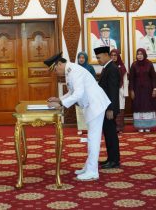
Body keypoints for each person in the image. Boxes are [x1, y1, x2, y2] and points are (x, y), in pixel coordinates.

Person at [45, 52, 110, 181]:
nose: (55, 72)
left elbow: (78, 94)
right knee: (92, 138)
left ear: (59, 64)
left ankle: (92, 171)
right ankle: (88, 167)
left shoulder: (74, 71)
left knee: (93, 139)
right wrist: (59, 99)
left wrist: (61, 104)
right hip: (91, 105)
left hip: (95, 104)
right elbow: (71, 92)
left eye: (55, 69)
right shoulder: (70, 71)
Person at [95, 46, 121, 169]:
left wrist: (110, 108)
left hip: (109, 108)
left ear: (106, 55)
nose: (98, 60)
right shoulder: (107, 68)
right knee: (108, 134)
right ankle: (110, 158)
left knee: (111, 135)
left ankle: (114, 161)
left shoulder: (112, 69)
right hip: (105, 107)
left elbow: (113, 91)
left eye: (99, 57)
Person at [129, 48, 156, 132]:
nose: (139, 56)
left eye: (141, 54)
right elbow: (131, 79)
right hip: (137, 90)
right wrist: (131, 90)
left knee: (147, 107)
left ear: (144, 54)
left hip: (148, 90)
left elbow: (153, 78)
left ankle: (148, 126)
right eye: (138, 54)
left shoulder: (149, 64)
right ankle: (140, 126)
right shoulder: (134, 65)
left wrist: (154, 89)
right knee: (138, 107)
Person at [76, 51, 96, 135]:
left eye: (83, 58)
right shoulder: (75, 67)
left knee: (88, 110)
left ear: (86, 58)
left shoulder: (90, 67)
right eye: (80, 57)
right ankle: (81, 128)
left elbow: (93, 79)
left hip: (88, 91)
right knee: (79, 110)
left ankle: (89, 127)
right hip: (79, 91)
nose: (81, 59)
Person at [110, 49, 129, 133]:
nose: (113, 57)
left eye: (115, 55)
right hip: (110, 92)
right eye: (112, 55)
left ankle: (119, 128)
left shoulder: (122, 67)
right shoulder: (108, 66)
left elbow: (125, 81)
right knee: (111, 109)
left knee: (120, 109)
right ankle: (112, 127)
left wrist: (125, 93)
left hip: (120, 91)